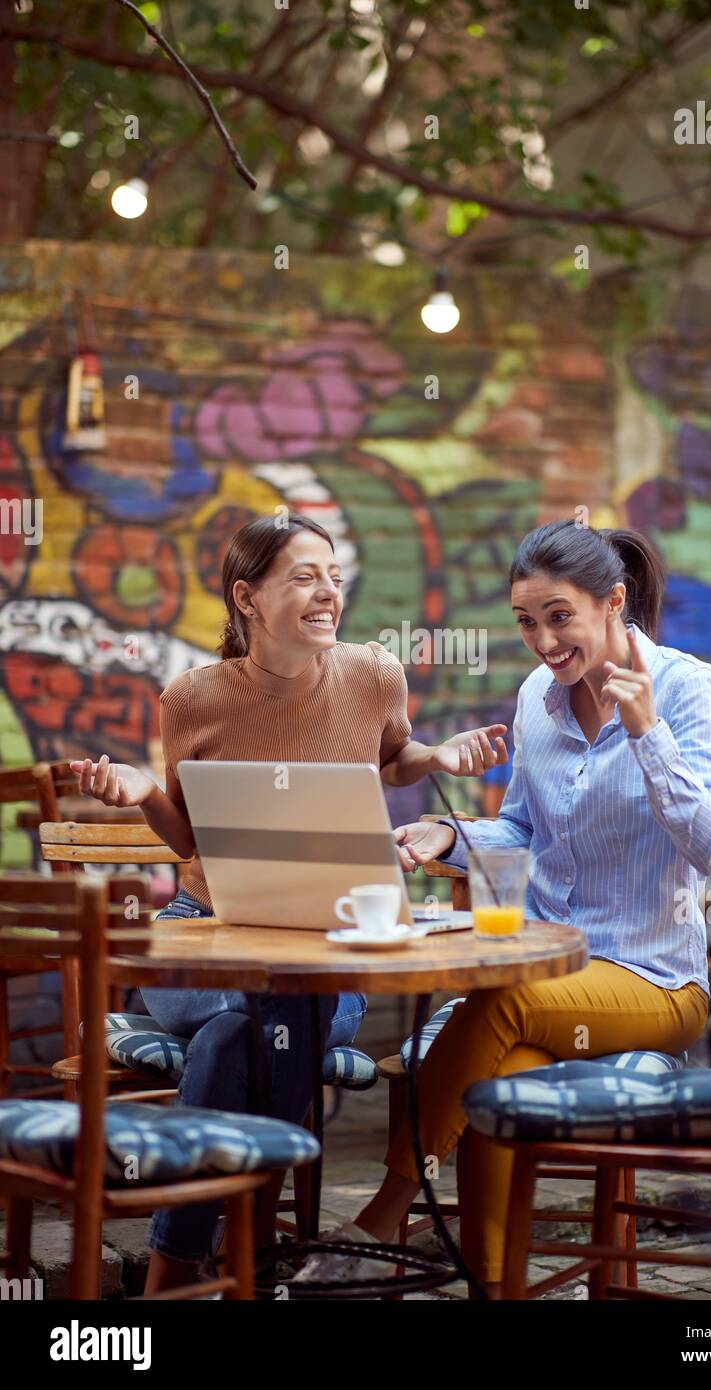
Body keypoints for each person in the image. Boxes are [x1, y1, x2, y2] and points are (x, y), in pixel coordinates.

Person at [293, 521, 711, 1297]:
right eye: (527, 622)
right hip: (555, 975)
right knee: (493, 1092)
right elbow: (523, 830)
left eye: (559, 617)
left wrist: (647, 736)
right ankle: (492, 1289)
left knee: (500, 1002)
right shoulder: (541, 697)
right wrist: (450, 833)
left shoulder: (686, 689)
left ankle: (385, 1211)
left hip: (657, 982)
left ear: (613, 602)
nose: (543, 642)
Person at [72, 513, 507, 1294]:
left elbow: (393, 753)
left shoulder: (373, 674)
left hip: (326, 946)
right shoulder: (192, 696)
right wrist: (142, 793)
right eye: (304, 576)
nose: (328, 592)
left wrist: (435, 754)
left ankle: (175, 1270)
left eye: (333, 575)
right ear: (248, 596)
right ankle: (246, 1257)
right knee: (262, 1014)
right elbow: (184, 839)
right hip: (206, 937)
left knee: (239, 1034)